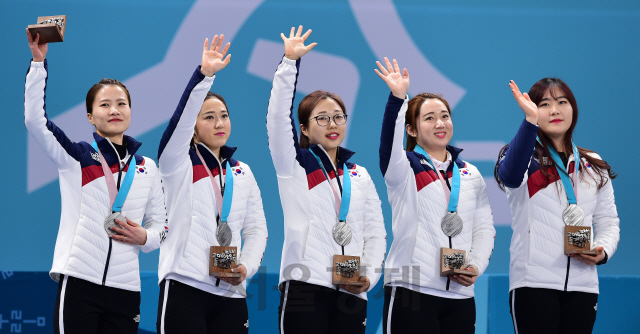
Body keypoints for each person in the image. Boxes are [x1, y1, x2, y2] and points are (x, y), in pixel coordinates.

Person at [24, 30, 168, 334]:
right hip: (79, 283)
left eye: (121, 104)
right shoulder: (76, 157)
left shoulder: (147, 168)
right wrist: (38, 64)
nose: (114, 110)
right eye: (104, 105)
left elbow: (162, 227)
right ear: (90, 116)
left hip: (126, 291)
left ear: (130, 111)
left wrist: (145, 237)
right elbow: (35, 121)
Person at [267, 26, 386, 334]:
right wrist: (289, 63)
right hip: (305, 284)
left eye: (338, 116)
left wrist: (368, 276)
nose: (332, 124)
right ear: (304, 128)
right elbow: (278, 119)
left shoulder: (358, 175)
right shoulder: (295, 165)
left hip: (351, 291)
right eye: (321, 118)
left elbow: (375, 235)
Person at [155, 35, 268, 334]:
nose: (220, 124)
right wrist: (203, 77)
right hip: (185, 284)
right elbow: (177, 127)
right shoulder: (177, 164)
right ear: (193, 129)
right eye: (209, 118)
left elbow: (257, 231)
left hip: (231, 294)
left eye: (224, 116)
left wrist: (247, 268)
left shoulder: (242, 172)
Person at [376, 57, 495, 334]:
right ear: (412, 129)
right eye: (429, 118)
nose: (440, 123)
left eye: (444, 116)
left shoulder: (470, 174)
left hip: (461, 296)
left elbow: (484, 228)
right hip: (411, 290)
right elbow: (387, 146)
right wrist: (397, 99)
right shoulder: (403, 168)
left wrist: (475, 266)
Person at [495, 79, 620, 334]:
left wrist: (603, 250)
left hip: (583, 287)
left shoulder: (593, 164)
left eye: (562, 102)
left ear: (573, 109)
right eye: (544, 104)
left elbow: (608, 221)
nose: (555, 110)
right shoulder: (521, 158)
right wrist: (529, 122)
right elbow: (509, 176)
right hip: (533, 284)